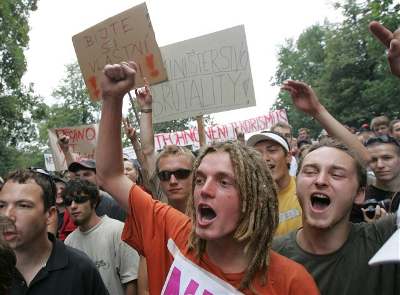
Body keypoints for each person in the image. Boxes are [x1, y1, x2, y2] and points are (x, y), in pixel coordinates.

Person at [95, 61, 319, 294]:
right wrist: (112, 99)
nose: (204, 190)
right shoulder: (170, 229)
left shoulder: (291, 283)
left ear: (253, 198)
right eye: (200, 179)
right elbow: (110, 175)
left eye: (224, 182)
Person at [272, 139, 399, 295]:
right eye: (310, 172)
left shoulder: (385, 237)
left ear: (359, 194)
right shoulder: (270, 256)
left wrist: (320, 113)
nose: (320, 180)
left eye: (337, 174)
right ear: (297, 185)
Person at [0, 168, 109, 295]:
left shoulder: (80, 268)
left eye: (23, 205)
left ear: (50, 215)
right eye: (1, 206)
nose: (7, 215)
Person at [64, 179, 139, 295]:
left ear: (94, 202)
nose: (73, 206)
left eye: (79, 200)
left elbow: (132, 280)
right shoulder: (69, 242)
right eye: (68, 202)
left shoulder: (117, 230)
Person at [247, 131, 302, 236]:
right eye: (257, 154)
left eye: (272, 151)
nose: (265, 158)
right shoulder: (252, 202)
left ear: (288, 157)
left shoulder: (305, 189)